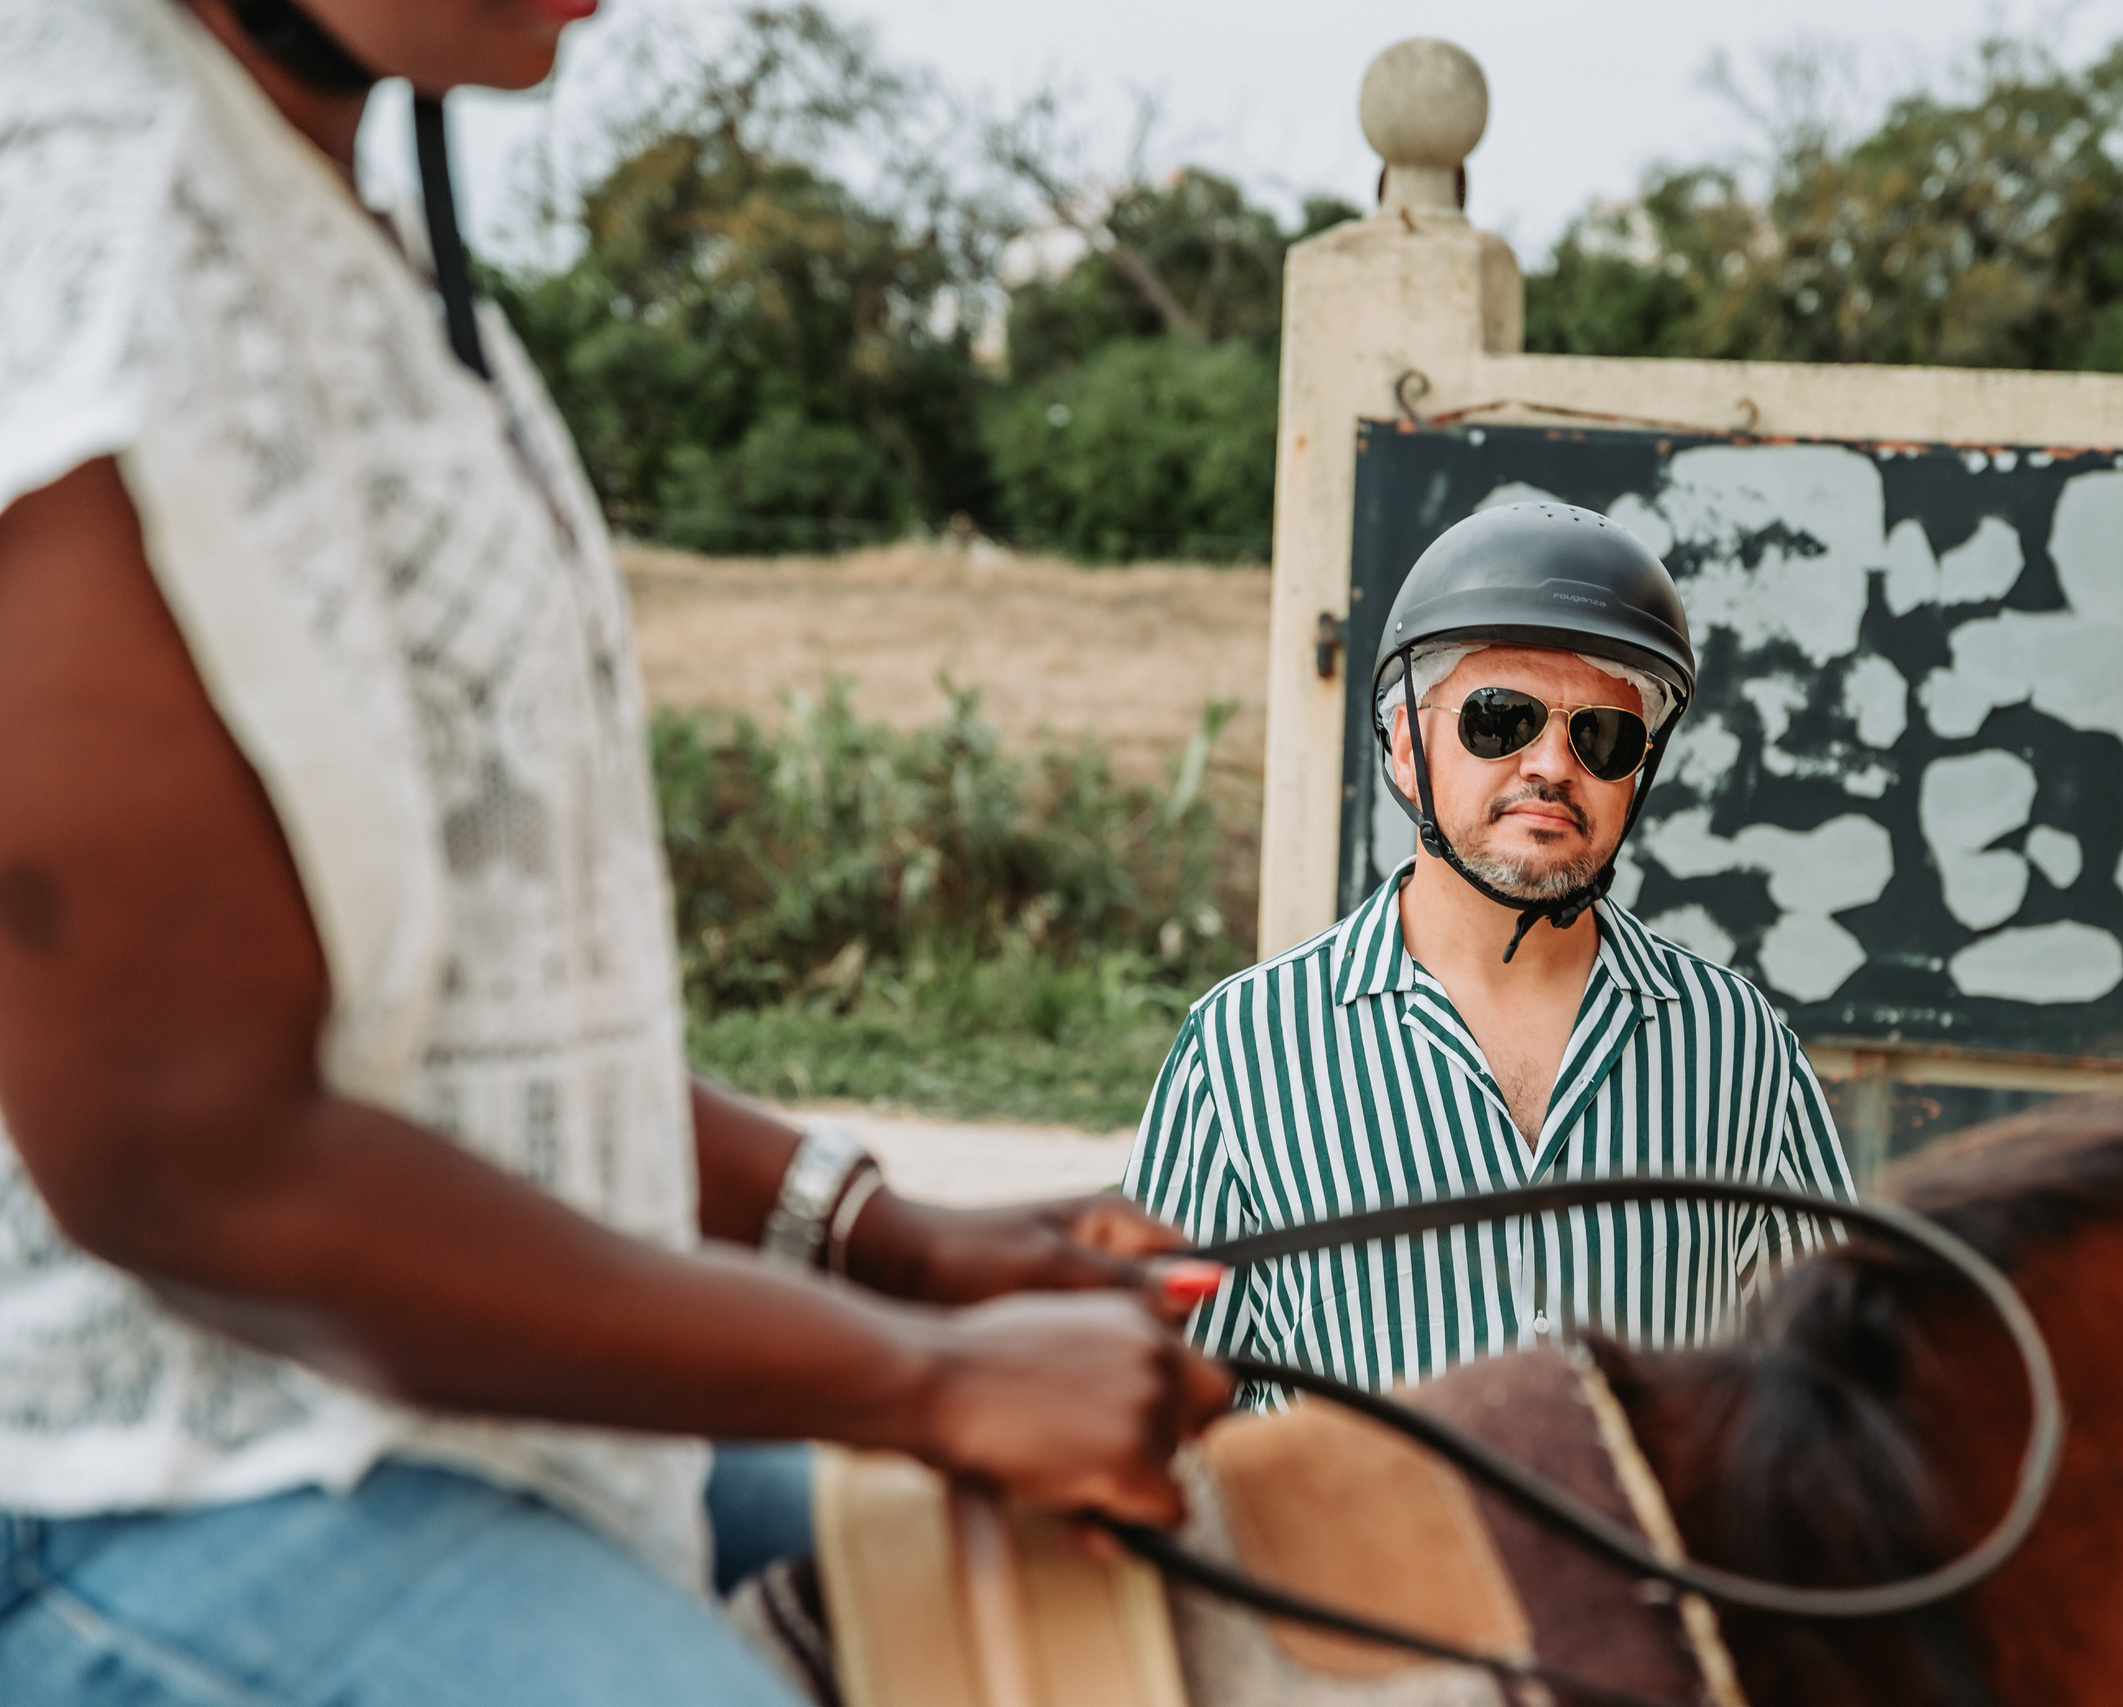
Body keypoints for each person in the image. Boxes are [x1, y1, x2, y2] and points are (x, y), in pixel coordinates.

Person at [0, 3, 1227, 1703]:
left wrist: (887, 1241)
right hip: (149, 1490)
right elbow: (188, 1161)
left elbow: (462, 1033)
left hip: (426, 1407)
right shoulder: (82, 228)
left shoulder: (331, 212)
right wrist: (918, 1376)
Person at [1125, 501, 1856, 1400]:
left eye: (1603, 734)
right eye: (1500, 717)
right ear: (1406, 747)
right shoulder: (1243, 1049)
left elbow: (1835, 1393)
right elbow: (1154, 1406)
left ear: (1636, 773)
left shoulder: (1737, 1047)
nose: (1552, 764)